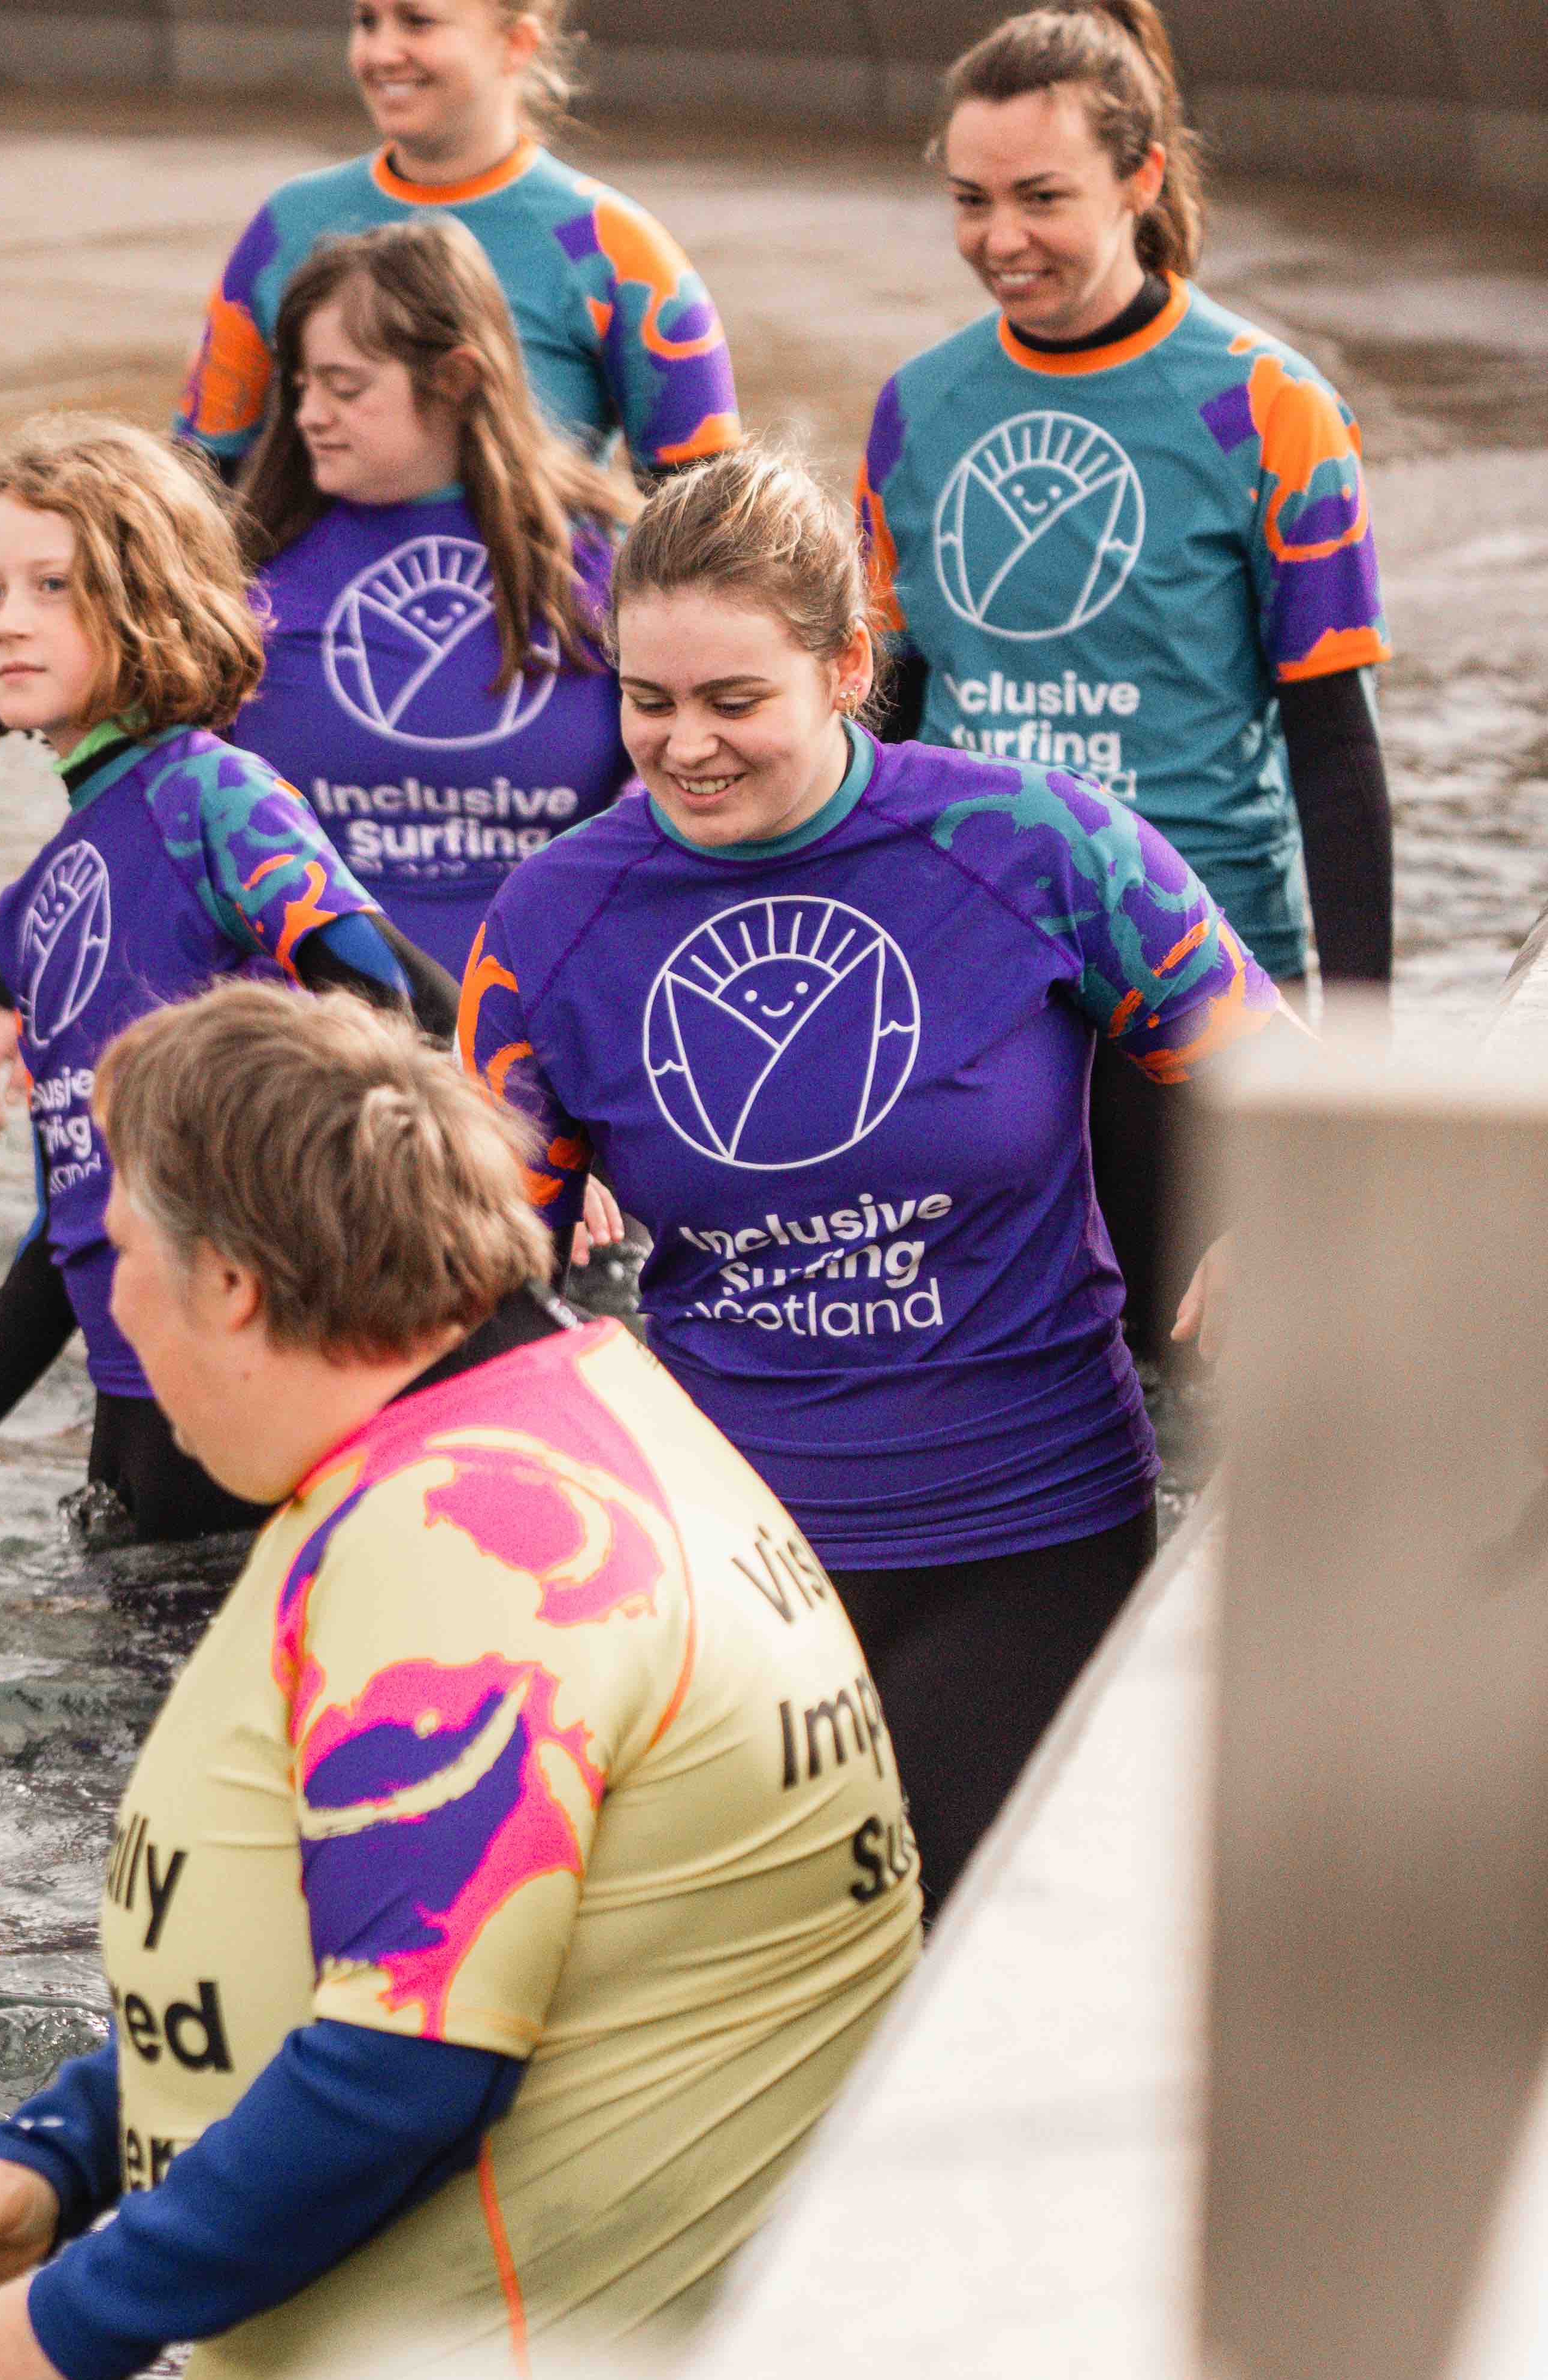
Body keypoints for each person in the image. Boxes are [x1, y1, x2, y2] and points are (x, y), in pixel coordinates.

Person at [0, 980, 918, 2380]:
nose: (110, 1305)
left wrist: (74, 2324)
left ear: (233, 1279)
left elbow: (413, 2058)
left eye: (122, 1250)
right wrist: (71, 2152)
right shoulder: (548, 1415)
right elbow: (393, 1927)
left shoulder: (471, 1546)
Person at [456, 446, 1279, 1906]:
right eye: (647, 703)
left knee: (963, 1971)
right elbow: (463, 1282)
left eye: (732, 701)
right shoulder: (552, 919)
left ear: (846, 666)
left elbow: (1267, 1067)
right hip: (732, 1561)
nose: (684, 745)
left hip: (1026, 1527)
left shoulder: (1037, 847)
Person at [0, 417, 439, 1548]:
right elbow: (73, 1208)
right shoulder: (35, 902)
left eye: (55, 585)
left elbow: (395, 997)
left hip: (260, 1394)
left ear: (149, 593)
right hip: (130, 1411)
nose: (11, 621)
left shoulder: (211, 797)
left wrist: (530, 1153)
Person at [857, 0, 1388, 1343]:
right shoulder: (916, 409)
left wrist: (1360, 1059)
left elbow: (1335, 747)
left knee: (1180, 1365)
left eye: (1042, 196)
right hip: (977, 978)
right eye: (971, 200)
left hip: (1199, 981)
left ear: (1141, 179)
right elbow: (889, 718)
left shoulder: (1269, 405)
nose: (998, 238)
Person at [225, 217, 633, 970]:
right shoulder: (243, 561)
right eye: (303, 385)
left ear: (456, 378)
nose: (311, 413)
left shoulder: (610, 556)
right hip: (301, 1047)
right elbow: (149, 806)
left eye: (345, 386)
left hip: (539, 1025)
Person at [177, 0, 737, 485]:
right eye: (367, 21)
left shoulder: (619, 250)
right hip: (306, 611)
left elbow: (709, 526)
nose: (380, 53)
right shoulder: (286, 227)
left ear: (515, 44)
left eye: (418, 21)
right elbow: (200, 478)